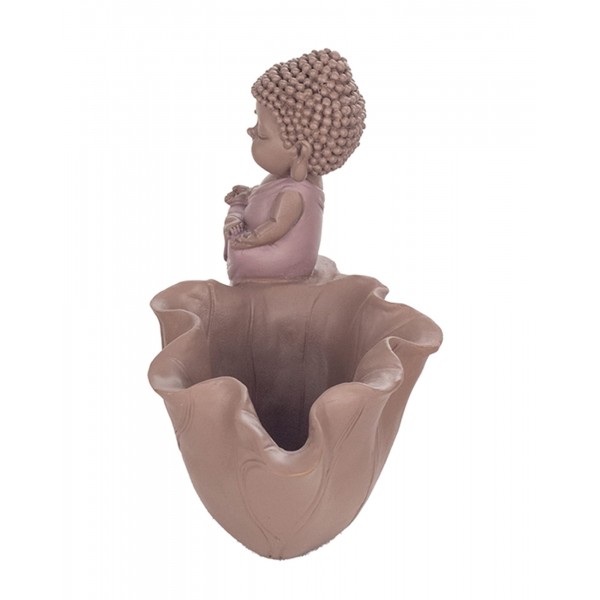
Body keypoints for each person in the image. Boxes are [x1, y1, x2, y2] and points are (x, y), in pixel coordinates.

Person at [224, 49, 366, 284]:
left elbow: (276, 226)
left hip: (274, 264)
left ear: (300, 154)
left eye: (261, 132)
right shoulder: (284, 177)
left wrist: (251, 239)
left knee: (237, 249)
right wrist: (250, 195)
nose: (251, 131)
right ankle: (238, 212)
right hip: (268, 252)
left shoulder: (294, 194)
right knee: (235, 221)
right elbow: (266, 199)